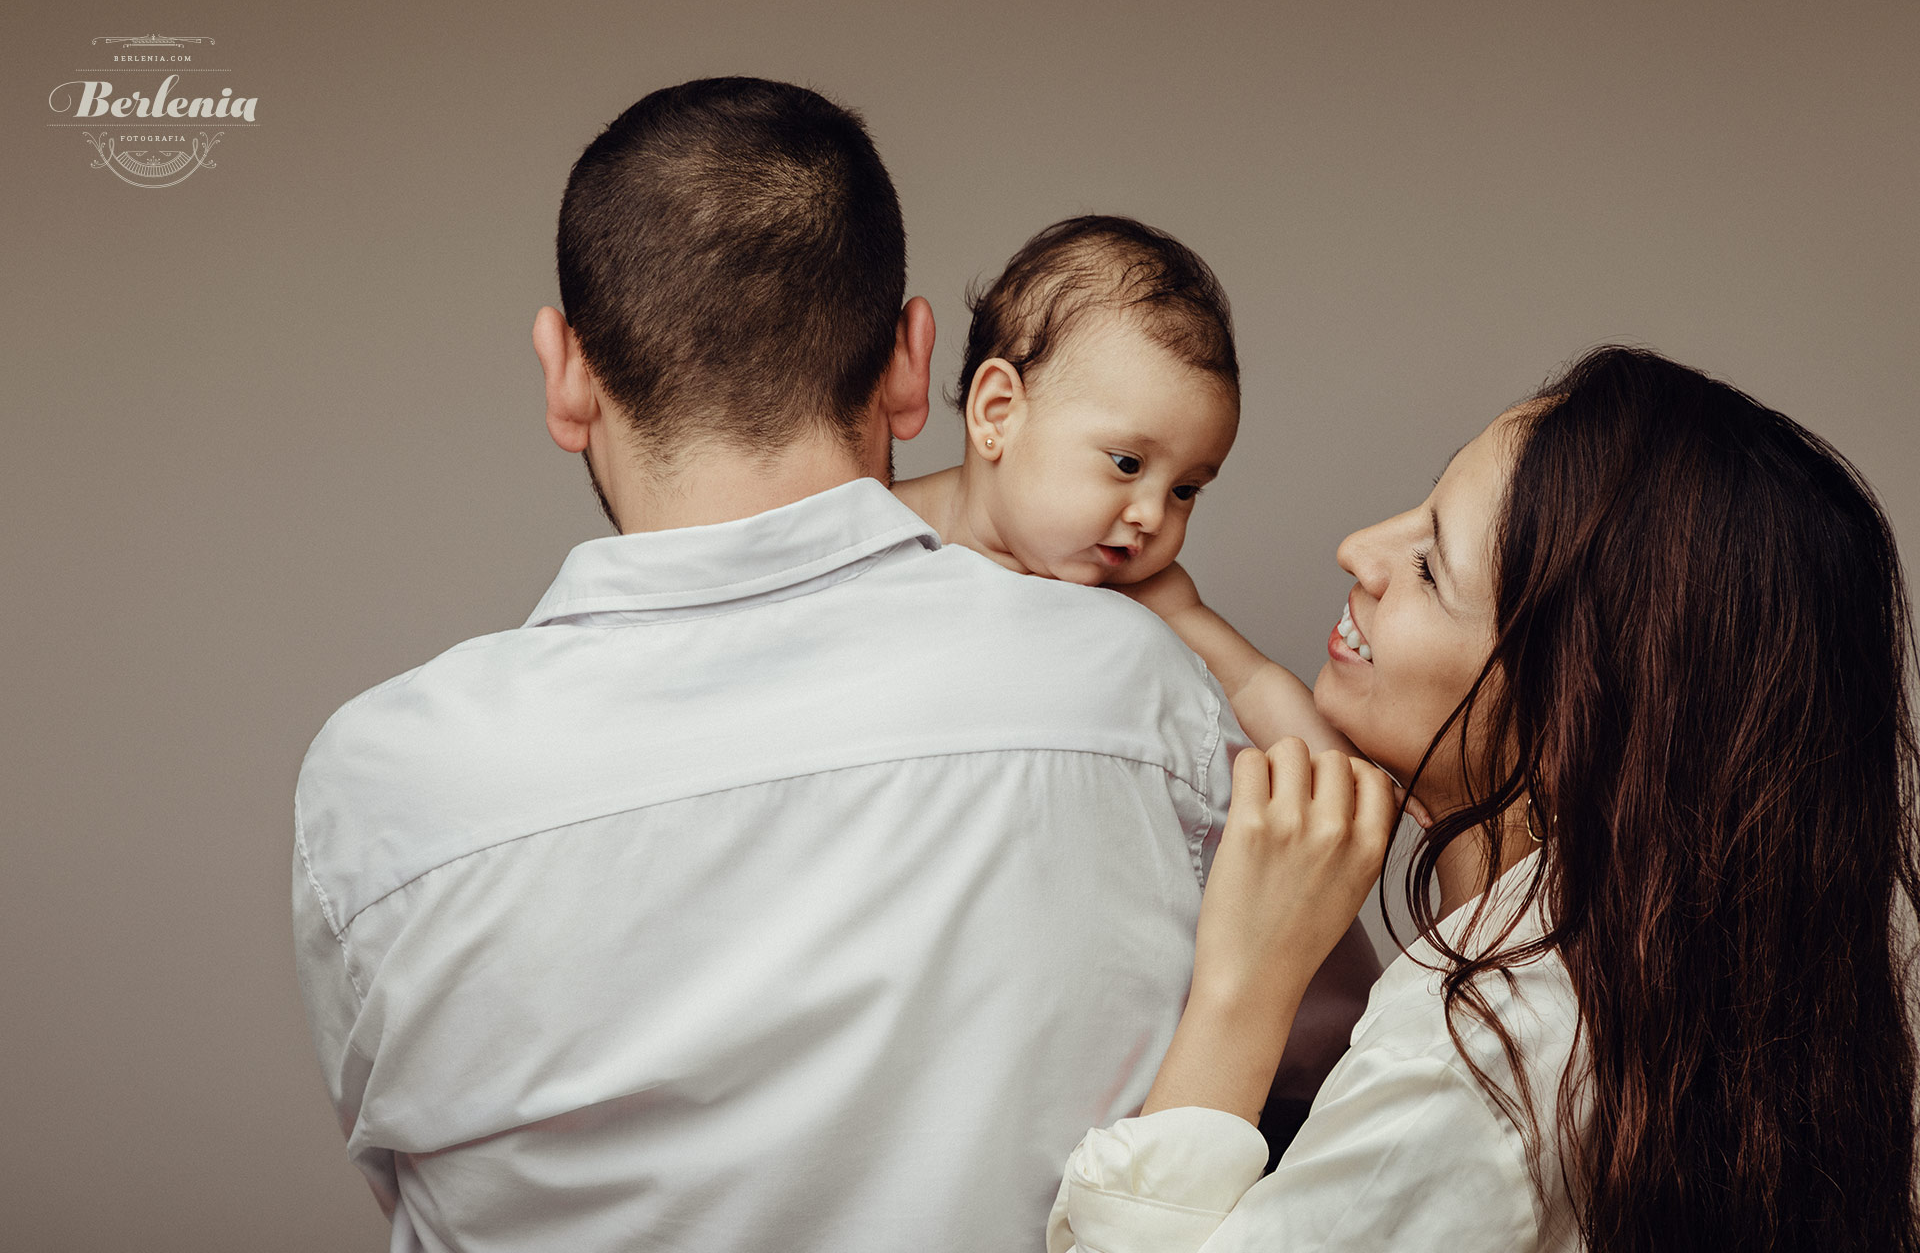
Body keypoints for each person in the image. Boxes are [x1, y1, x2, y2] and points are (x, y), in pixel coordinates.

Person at [292, 77, 1247, 1253]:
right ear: (914, 367)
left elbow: (415, 1174)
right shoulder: (1138, 692)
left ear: (566, 373)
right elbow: (1282, 1098)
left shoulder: (383, 785)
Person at [1048, 346, 1920, 1251]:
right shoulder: (1649, 999)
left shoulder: (1467, 1067)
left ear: (1571, 714)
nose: (1361, 549)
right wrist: (1192, 624)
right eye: (1422, 509)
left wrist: (1243, 987)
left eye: (1431, 566)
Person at [893, 214, 1382, 1154]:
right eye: (1127, 463)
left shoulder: (1148, 590)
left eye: (1190, 487)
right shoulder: (885, 543)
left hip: (1273, 1053)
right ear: (998, 413)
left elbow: (1257, 688)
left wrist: (1333, 772)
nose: (1151, 514)